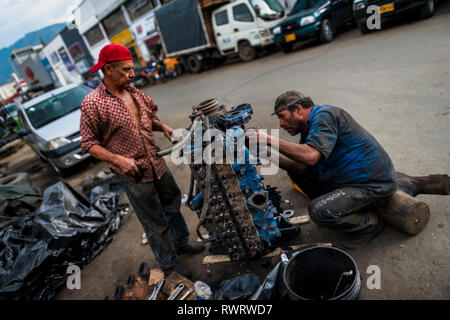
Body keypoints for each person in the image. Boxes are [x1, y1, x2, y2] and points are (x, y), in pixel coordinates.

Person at [251, 91, 449, 249]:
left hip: (372, 184)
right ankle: (407, 185)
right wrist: (262, 150)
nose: (281, 124)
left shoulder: (325, 115)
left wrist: (268, 139)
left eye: (282, 117)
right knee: (300, 175)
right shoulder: (310, 129)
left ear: (298, 109)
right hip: (358, 180)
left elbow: (310, 156)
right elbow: (298, 166)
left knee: (319, 211)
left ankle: (369, 224)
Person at [79, 44, 204, 278]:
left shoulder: (135, 92)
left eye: (132, 69)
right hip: (133, 173)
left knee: (172, 204)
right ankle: (168, 263)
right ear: (108, 69)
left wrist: (164, 127)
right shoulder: (93, 103)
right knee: (154, 221)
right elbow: (88, 144)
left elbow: (148, 119)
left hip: (156, 163)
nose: (132, 74)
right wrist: (119, 160)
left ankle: (181, 243)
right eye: (126, 70)